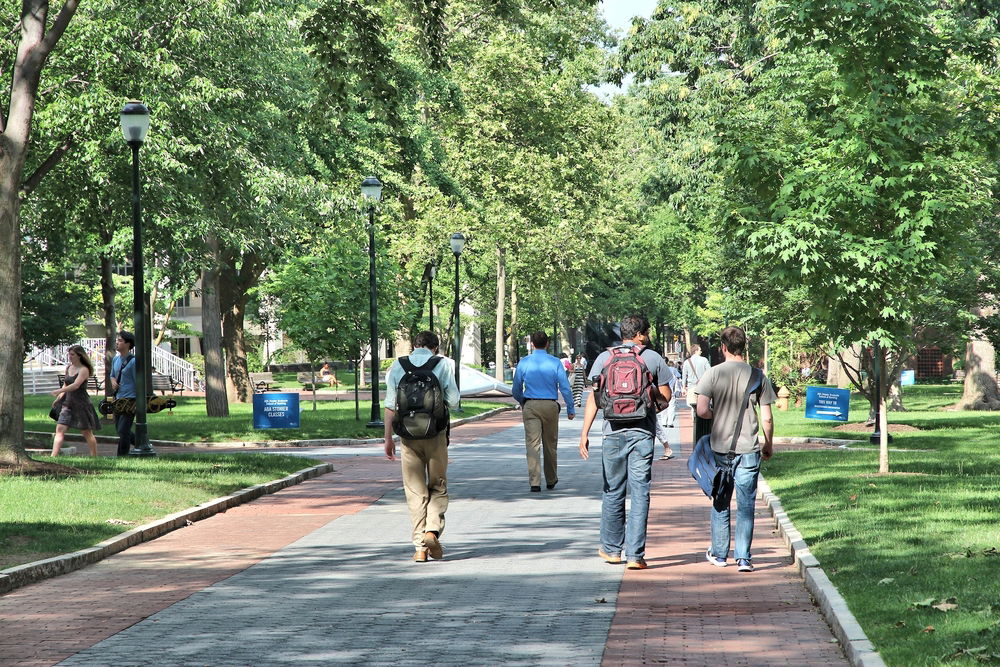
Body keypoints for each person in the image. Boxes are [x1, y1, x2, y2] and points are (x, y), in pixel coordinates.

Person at [579, 315, 673, 570]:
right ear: (640, 334)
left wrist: (584, 433)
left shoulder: (603, 358)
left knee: (613, 491)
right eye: (648, 332)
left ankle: (611, 550)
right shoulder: (651, 358)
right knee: (640, 492)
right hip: (642, 432)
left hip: (611, 433)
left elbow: (594, 399)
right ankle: (635, 555)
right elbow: (666, 397)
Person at [696, 326, 776, 572]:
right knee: (746, 504)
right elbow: (768, 418)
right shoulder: (758, 376)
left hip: (720, 448)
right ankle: (744, 558)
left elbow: (701, 411)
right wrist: (768, 443)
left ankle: (720, 554)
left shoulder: (713, 374)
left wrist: (716, 415)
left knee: (721, 500)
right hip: (748, 449)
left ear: (723, 347)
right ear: (745, 347)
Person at [383, 331, 460, 563]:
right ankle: (432, 530)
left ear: (414, 345)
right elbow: (454, 401)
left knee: (415, 491)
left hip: (408, 436)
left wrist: (388, 439)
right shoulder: (443, 364)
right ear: (435, 347)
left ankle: (419, 548)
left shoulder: (397, 366)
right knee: (438, 484)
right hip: (435, 434)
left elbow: (389, 405)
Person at [512, 331, 576, 493]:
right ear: (547, 343)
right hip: (550, 405)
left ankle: (534, 482)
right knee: (550, 444)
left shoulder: (524, 362)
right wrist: (570, 407)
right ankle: (551, 479)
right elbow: (565, 387)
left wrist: (522, 401)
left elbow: (516, 388)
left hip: (531, 405)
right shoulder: (555, 363)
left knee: (532, 444)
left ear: (532, 344)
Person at [50, 345, 101, 457]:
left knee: (86, 432)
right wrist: (58, 399)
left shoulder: (84, 370)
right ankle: (53, 456)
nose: (70, 357)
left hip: (81, 404)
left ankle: (94, 456)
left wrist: (59, 390)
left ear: (79, 355)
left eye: (72, 354)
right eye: (69, 354)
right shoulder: (69, 368)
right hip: (67, 404)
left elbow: (76, 385)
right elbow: (66, 384)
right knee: (60, 429)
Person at [109, 331, 137, 457]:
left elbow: (138, 382)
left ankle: (122, 456)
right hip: (118, 398)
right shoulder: (115, 359)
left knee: (123, 429)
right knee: (119, 429)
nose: (117, 342)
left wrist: (138, 400)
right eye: (117, 340)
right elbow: (112, 375)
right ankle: (141, 443)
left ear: (128, 344)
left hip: (130, 399)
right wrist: (113, 381)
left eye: (120, 340)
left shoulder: (133, 362)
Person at [682, 344, 712, 445]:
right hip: (703, 387)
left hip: (691, 387)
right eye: (700, 350)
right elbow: (709, 373)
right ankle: (701, 423)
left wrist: (683, 387)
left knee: (693, 406)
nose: (701, 351)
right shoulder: (704, 360)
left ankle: (694, 421)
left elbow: (684, 376)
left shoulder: (687, 362)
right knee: (703, 405)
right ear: (695, 350)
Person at [655, 360, 683, 460]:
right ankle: (667, 447)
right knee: (656, 424)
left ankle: (667, 448)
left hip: (659, 397)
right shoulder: (673, 370)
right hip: (663, 396)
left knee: (655, 425)